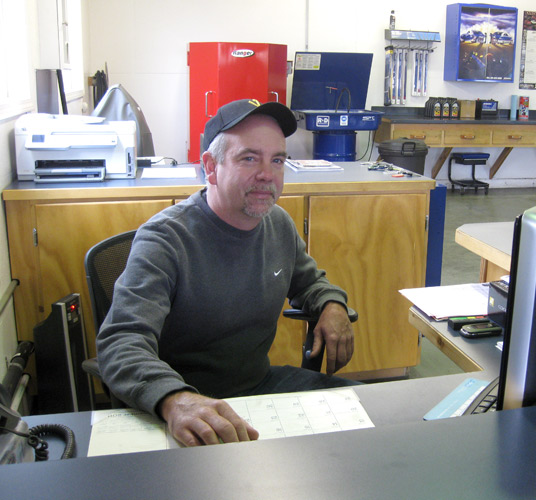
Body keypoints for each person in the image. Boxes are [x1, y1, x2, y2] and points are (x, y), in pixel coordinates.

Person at [97, 99, 359, 447]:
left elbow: (310, 282)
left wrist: (331, 305)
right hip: (186, 404)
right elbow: (121, 341)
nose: (267, 174)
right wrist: (175, 399)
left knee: (368, 414)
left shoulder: (276, 223)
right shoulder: (165, 240)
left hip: (259, 390)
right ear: (210, 166)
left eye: (277, 160)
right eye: (249, 158)